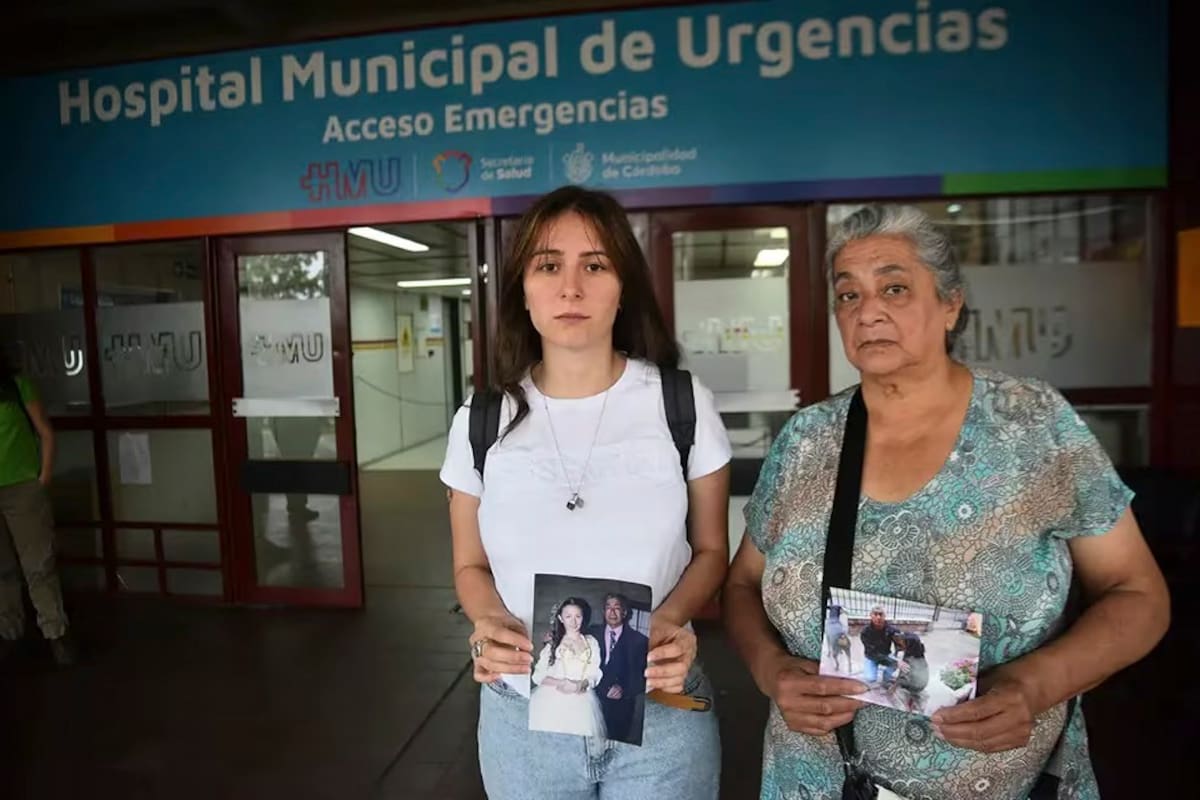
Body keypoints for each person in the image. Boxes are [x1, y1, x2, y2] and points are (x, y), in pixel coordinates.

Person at [723, 204, 1170, 799]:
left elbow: (1138, 595)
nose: (868, 311)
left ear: (951, 304)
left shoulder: (1031, 424)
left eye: (895, 288)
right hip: (815, 780)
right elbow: (741, 585)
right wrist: (769, 669)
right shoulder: (807, 441)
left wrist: (1035, 685)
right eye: (848, 295)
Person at [440, 185, 731, 799]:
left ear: (623, 286)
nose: (570, 288)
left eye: (594, 266)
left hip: (659, 711)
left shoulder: (681, 404)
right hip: (523, 720)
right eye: (549, 266)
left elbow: (710, 552)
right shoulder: (482, 419)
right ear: (522, 288)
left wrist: (669, 623)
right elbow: (469, 565)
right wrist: (488, 621)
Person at [0, 354, 77, 666]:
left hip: (22, 489)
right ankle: (9, 632)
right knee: (2, 568)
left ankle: (55, 632)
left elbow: (45, 432)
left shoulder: (17, 386)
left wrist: (42, 477)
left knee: (38, 565)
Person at [530, 597, 607, 738]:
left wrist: (580, 685)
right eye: (568, 616)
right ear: (561, 618)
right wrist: (563, 683)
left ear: (583, 617)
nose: (573, 622)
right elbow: (538, 676)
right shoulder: (554, 643)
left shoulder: (591, 642)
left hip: (582, 701)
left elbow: (594, 672)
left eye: (578, 616)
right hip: (552, 699)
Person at [588, 592, 650, 744]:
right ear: (604, 611)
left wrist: (624, 690)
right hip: (592, 700)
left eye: (617, 608)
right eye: (608, 607)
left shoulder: (639, 640)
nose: (612, 612)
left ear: (624, 612)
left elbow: (644, 676)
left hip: (621, 707)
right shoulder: (591, 633)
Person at [859, 605, 901, 685]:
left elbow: (901, 644)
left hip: (886, 655)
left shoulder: (892, 630)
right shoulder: (865, 632)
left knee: (899, 663)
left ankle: (886, 676)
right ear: (871, 616)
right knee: (870, 678)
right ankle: (873, 668)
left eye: (881, 614)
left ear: (885, 616)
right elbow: (872, 652)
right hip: (871, 657)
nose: (878, 617)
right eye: (875, 614)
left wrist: (898, 657)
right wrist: (894, 660)